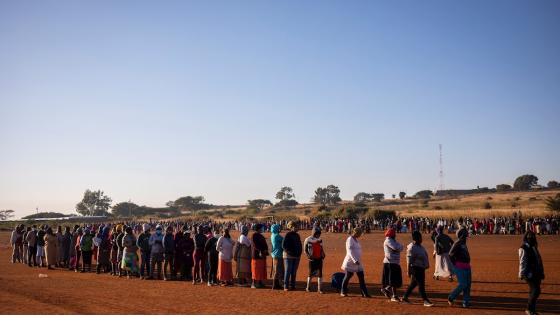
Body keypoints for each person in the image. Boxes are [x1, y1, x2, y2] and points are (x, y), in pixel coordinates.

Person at [402, 231, 434, 307]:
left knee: (413, 283)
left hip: (421, 268)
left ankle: (405, 297)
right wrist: (408, 271)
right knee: (421, 284)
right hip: (416, 268)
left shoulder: (420, 246)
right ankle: (425, 300)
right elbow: (409, 261)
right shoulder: (412, 248)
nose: (421, 239)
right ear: (416, 238)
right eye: (420, 238)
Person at [519, 230, 545, 315]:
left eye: (533, 236)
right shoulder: (523, 248)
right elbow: (522, 262)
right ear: (526, 238)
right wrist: (521, 273)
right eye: (530, 237)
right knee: (536, 290)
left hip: (537, 272)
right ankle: (528, 309)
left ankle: (532, 310)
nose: (532, 238)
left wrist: (541, 271)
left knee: (533, 291)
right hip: (529, 273)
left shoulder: (534, 247)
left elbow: (539, 259)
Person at [340, 227, 370, 298]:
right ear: (355, 233)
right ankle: (343, 291)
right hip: (351, 262)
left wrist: (357, 260)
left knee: (361, 277)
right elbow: (349, 251)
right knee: (348, 276)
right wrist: (354, 260)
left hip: (358, 262)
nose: (360, 235)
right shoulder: (349, 239)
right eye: (359, 234)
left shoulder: (356, 240)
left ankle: (364, 293)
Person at [448, 227, 472, 308]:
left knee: (468, 285)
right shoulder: (457, 243)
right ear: (462, 235)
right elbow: (450, 254)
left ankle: (466, 302)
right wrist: (455, 264)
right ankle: (451, 297)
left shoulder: (463, 243)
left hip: (467, 267)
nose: (467, 237)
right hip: (460, 267)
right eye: (465, 235)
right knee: (463, 284)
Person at [381, 227, 403, 302]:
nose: (395, 235)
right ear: (392, 235)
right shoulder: (388, 241)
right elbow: (397, 247)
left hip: (394, 262)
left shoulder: (393, 240)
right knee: (393, 280)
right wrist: (399, 247)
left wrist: (399, 247)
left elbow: (400, 247)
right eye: (394, 234)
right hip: (390, 262)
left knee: (394, 280)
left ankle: (388, 290)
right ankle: (393, 295)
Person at [304, 226, 325, 293]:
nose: (318, 235)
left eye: (319, 234)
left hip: (319, 259)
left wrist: (323, 254)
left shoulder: (320, 239)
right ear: (314, 233)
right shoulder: (308, 239)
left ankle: (320, 289)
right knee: (310, 274)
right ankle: (308, 287)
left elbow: (321, 248)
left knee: (320, 274)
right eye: (317, 234)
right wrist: (309, 256)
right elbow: (305, 250)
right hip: (312, 260)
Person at [282, 221, 302, 291]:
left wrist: (299, 252)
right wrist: (290, 252)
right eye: (296, 227)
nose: (297, 228)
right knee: (288, 270)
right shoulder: (288, 235)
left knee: (294, 271)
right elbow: (283, 245)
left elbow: (299, 244)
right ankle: (286, 286)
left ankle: (293, 285)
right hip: (288, 256)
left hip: (296, 256)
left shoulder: (297, 235)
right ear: (292, 227)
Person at [251, 224, 268, 289]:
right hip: (256, 255)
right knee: (255, 269)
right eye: (261, 228)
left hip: (262, 255)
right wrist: (261, 250)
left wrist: (265, 250)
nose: (262, 229)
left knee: (261, 269)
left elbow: (265, 244)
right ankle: (253, 283)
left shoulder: (261, 236)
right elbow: (255, 245)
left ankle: (260, 282)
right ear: (258, 229)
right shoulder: (254, 235)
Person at [270, 223, 284, 290]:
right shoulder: (277, 236)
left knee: (276, 270)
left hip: (275, 254)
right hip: (278, 254)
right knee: (277, 270)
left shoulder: (272, 235)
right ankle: (274, 285)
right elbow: (284, 239)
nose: (279, 229)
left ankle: (277, 284)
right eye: (278, 228)